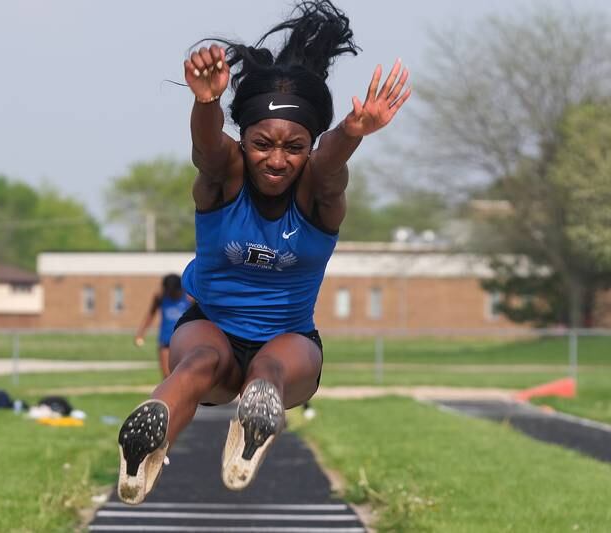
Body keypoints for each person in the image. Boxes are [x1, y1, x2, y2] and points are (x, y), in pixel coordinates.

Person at [116, 0, 410, 504]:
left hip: (287, 338)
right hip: (211, 323)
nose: (277, 160)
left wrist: (351, 133)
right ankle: (147, 440)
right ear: (243, 140)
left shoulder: (317, 192)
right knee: (201, 363)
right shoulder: (223, 180)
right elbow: (208, 151)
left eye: (294, 147)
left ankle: (255, 412)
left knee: (261, 369)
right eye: (261, 144)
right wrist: (206, 103)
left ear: (311, 145)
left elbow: (331, 165)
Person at [133, 274, 192, 378]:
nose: (171, 294)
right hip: (166, 340)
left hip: (185, 341)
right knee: (167, 376)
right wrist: (141, 333)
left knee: (185, 374)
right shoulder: (160, 297)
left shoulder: (189, 299)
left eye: (172, 291)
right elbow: (150, 314)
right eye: (168, 291)